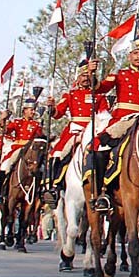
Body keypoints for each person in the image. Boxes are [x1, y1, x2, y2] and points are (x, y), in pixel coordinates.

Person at [91, 17, 139, 213]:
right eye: (135, 53)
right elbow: (100, 88)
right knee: (101, 146)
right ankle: (102, 191)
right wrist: (94, 75)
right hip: (123, 119)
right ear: (130, 55)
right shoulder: (120, 75)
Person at [49, 52, 104, 199]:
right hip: (75, 130)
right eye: (83, 76)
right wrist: (51, 108)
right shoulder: (70, 95)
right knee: (60, 153)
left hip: (93, 130)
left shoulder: (99, 96)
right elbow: (58, 113)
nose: (86, 79)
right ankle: (55, 185)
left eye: (88, 76)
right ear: (78, 78)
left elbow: (105, 114)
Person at [0, 98, 44, 206]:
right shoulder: (17, 122)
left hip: (30, 149)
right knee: (5, 165)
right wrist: (3, 119)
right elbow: (6, 130)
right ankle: (1, 191)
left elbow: (40, 137)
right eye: (31, 110)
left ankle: (41, 191)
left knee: (41, 166)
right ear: (24, 110)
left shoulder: (36, 124)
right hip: (18, 147)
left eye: (34, 110)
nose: (33, 112)